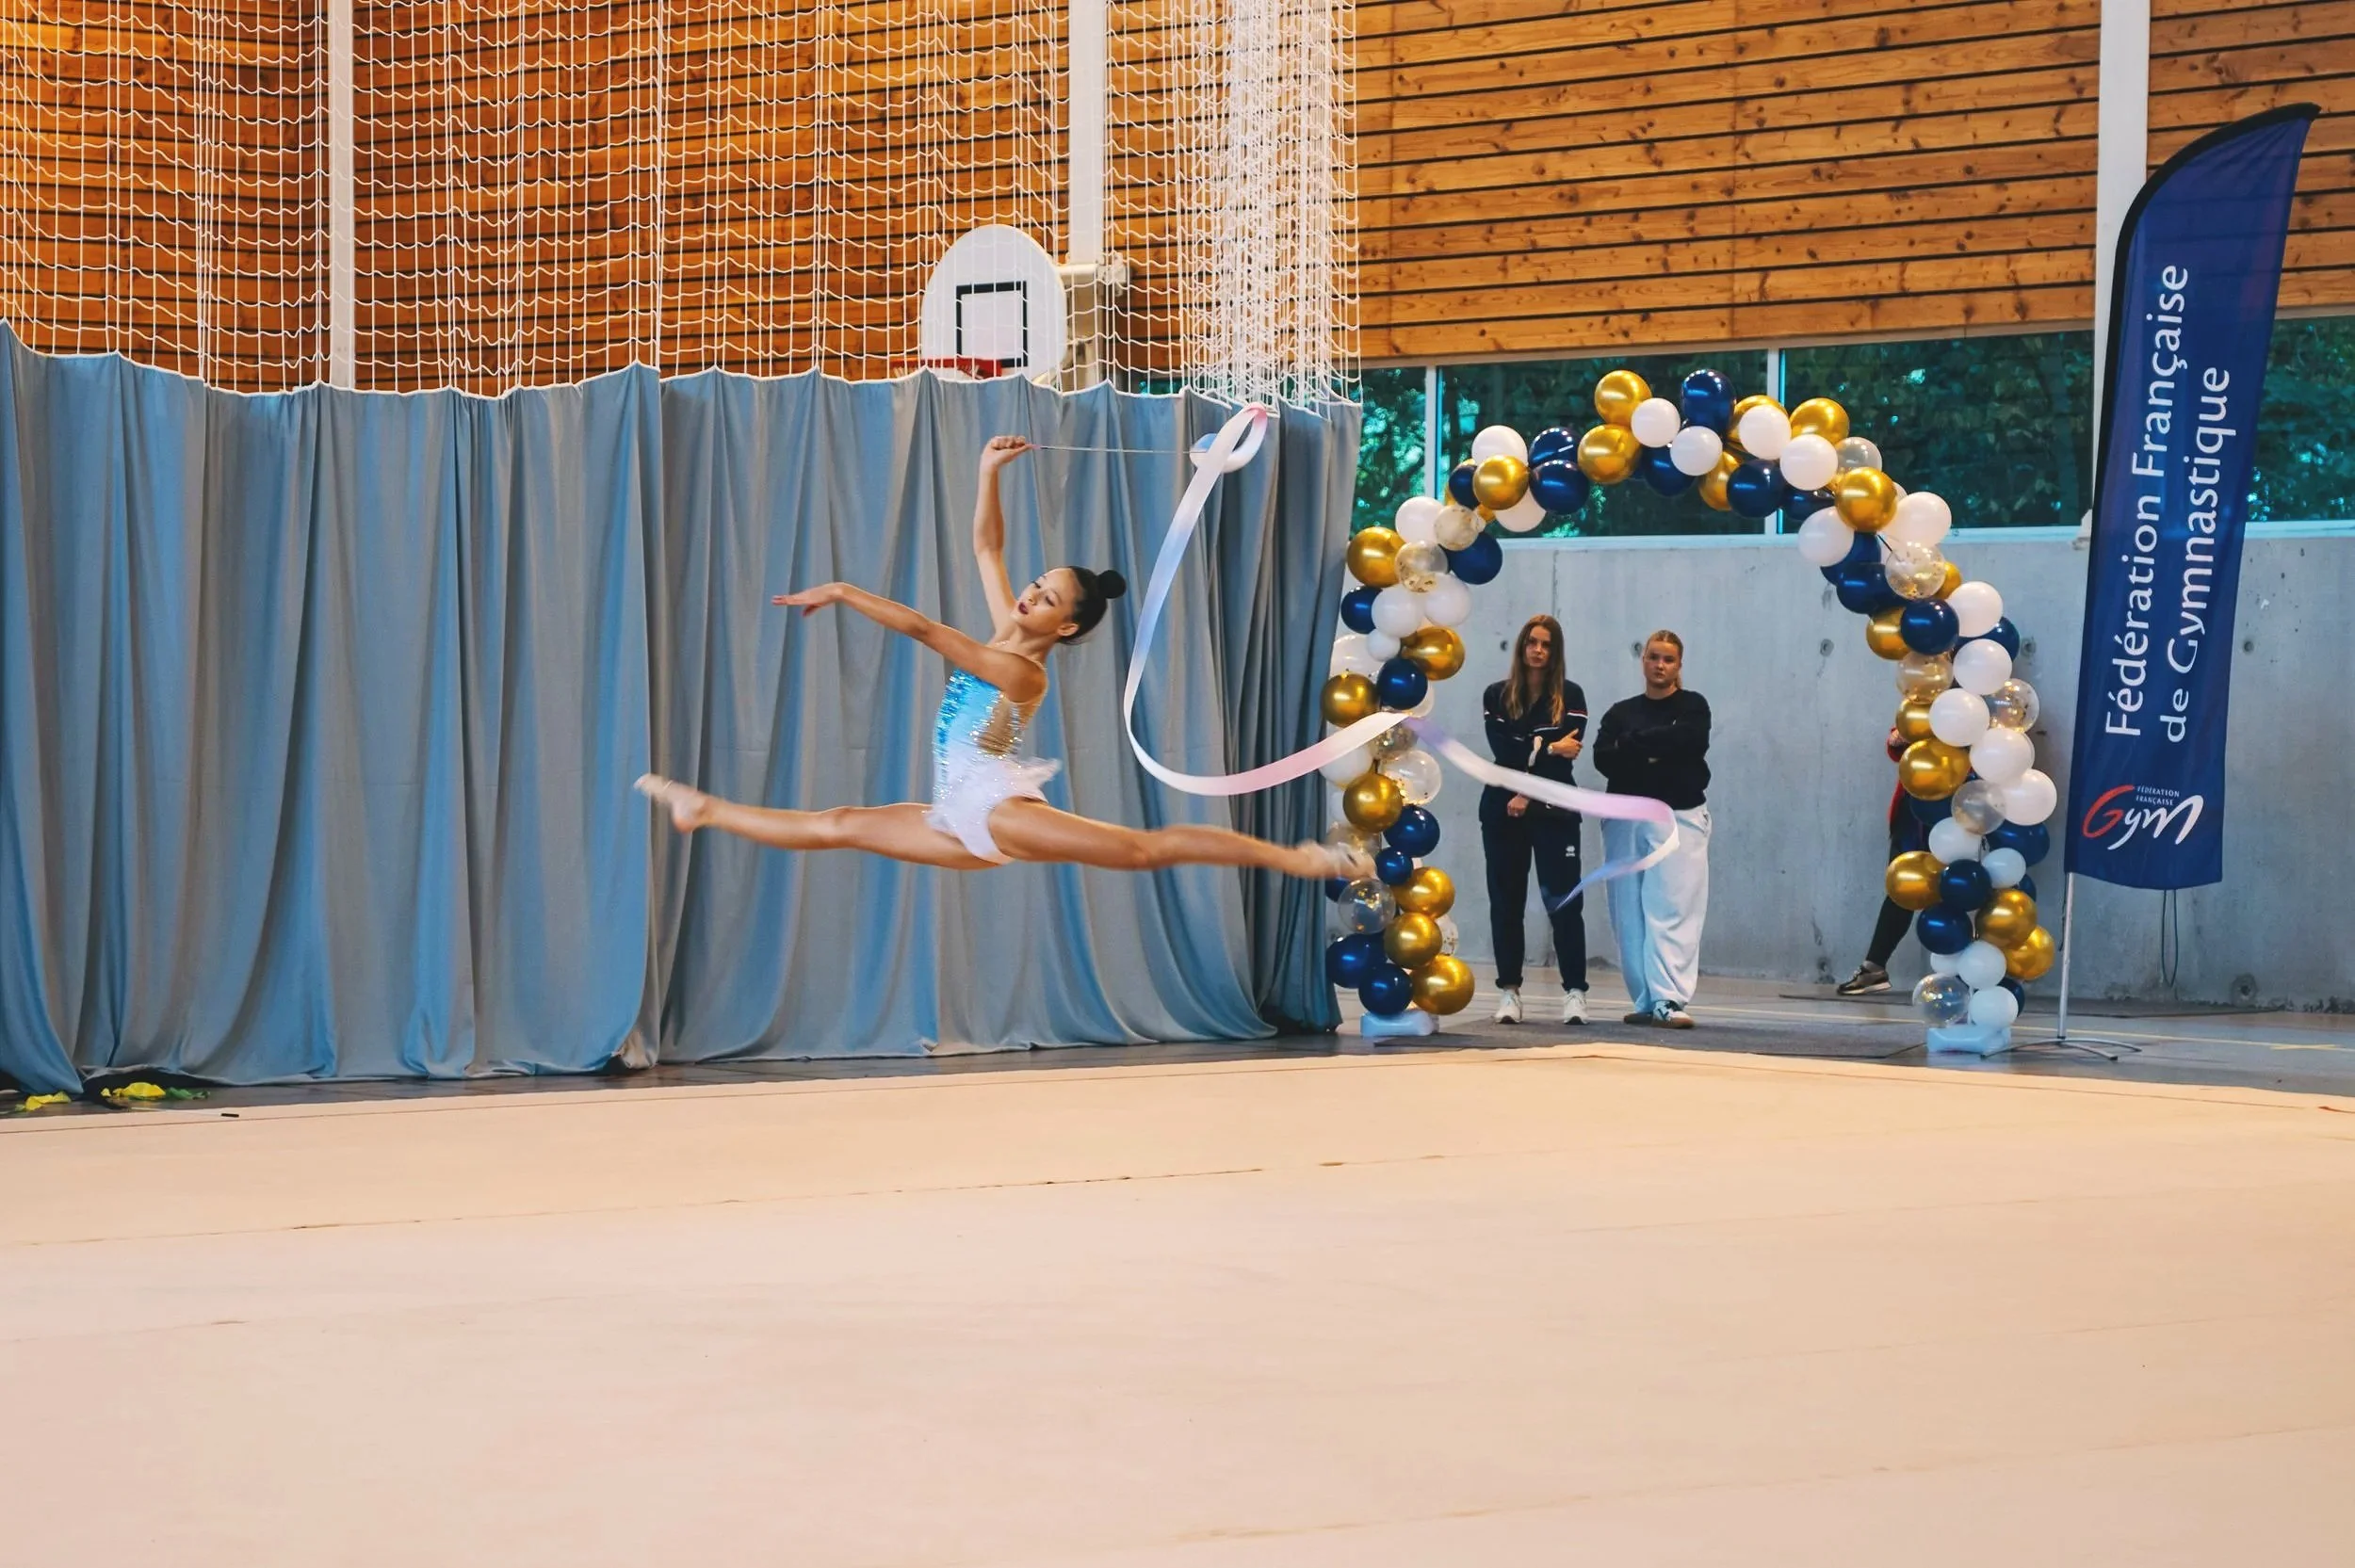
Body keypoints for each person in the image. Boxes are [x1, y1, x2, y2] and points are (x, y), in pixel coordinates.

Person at [637, 435, 1372, 885]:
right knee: (837, 823)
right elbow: (987, 547)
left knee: (1146, 851)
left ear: (1068, 625)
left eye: (1047, 597)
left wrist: (841, 589)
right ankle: (705, 809)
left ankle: (1300, 859)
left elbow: (925, 630)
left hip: (992, 805)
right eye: (1035, 583)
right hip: (956, 813)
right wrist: (989, 471)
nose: (1028, 594)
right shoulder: (1002, 633)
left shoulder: (1024, 673)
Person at [1591, 630, 1711, 1029]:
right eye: (1654, 657)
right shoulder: (1620, 712)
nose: (1660, 665)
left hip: (1679, 815)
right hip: (1625, 816)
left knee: (1671, 906)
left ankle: (1669, 998)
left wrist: (1634, 745)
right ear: (1643, 660)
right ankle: (1645, 999)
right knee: (1628, 910)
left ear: (1679, 665)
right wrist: (1655, 750)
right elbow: (1605, 759)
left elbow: (1689, 741)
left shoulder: (1693, 707)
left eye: (1669, 659)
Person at [1479, 615, 1591, 1026]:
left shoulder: (1572, 696)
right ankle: (1509, 991)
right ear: (1521, 647)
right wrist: (1546, 747)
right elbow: (1503, 750)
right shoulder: (1496, 695)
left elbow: (1569, 749)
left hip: (1555, 812)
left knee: (1563, 903)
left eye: (1546, 644)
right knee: (1506, 903)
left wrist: (1527, 784)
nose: (1538, 650)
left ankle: (1575, 992)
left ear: (1555, 651)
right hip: (1501, 810)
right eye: (1531, 642)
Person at [1835, 728, 1926, 995]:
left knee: (1962, 888)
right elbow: (1896, 746)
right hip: (1916, 810)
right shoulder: (1927, 694)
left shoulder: (1983, 700)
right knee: (1902, 888)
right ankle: (1874, 967)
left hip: (1964, 807)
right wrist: (1899, 736)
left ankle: (1973, 973)